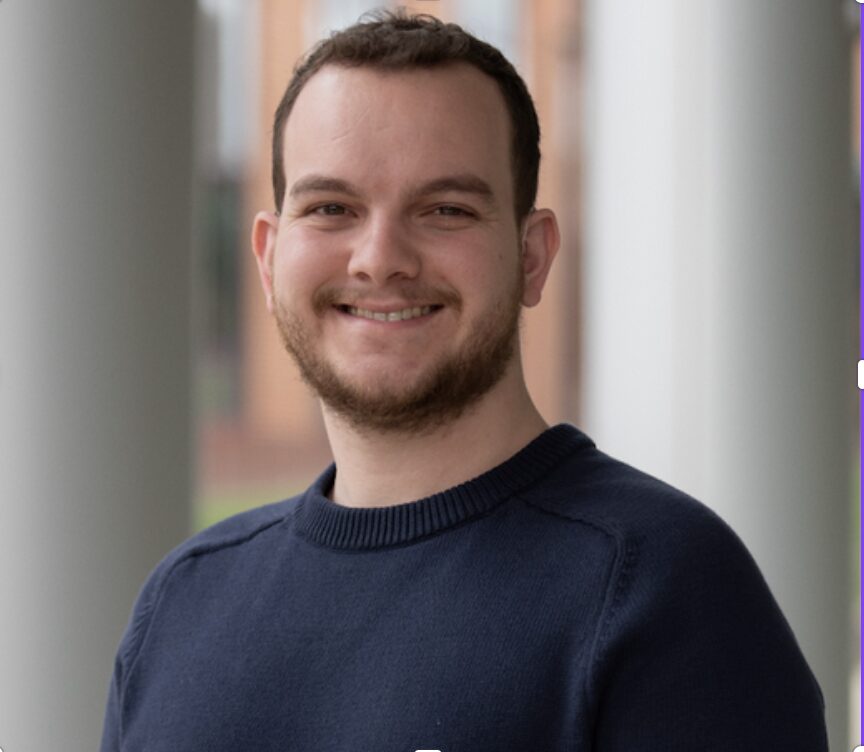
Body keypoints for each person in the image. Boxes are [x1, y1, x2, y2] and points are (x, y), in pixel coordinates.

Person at [100, 11, 827, 751]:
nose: (380, 258)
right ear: (267, 255)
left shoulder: (662, 591)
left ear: (533, 255)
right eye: (331, 209)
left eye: (445, 209)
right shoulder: (182, 603)